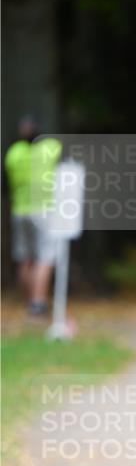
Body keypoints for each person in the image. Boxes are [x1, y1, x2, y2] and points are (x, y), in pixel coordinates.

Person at [4, 116, 62, 318]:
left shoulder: (14, 152)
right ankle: (38, 303)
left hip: (19, 210)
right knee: (45, 257)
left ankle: (29, 303)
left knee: (25, 259)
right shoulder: (51, 147)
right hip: (44, 209)